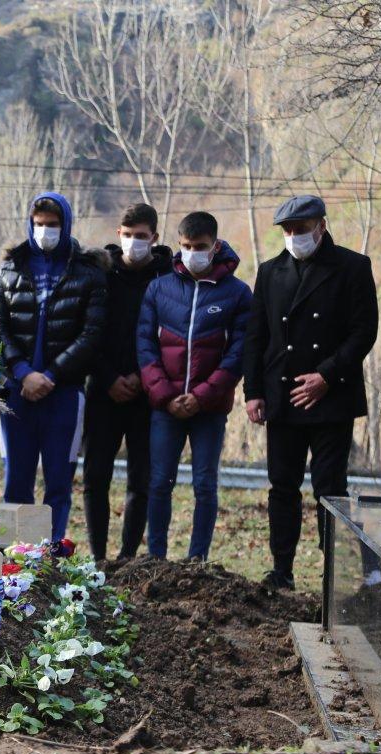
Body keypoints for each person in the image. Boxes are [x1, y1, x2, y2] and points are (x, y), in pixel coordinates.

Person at [243, 195, 378, 590]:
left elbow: (363, 331)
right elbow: (257, 336)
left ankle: (333, 573)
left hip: (330, 397)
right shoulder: (270, 272)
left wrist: (326, 375)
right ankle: (281, 569)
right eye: (287, 231)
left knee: (329, 490)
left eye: (300, 229)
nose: (292, 236)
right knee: (282, 486)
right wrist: (253, 390)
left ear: (320, 225)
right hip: (282, 395)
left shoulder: (353, 266)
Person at [0, 192, 107, 541]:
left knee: (58, 483)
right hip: (16, 392)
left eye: (52, 225)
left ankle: (49, 558)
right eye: (39, 224)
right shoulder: (10, 268)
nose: (45, 231)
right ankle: (14, 564)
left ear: (66, 225)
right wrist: (23, 372)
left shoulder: (88, 272)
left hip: (64, 394)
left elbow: (92, 334)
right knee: (16, 482)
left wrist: (51, 375)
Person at [136, 212, 251, 560]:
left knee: (204, 484)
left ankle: (196, 559)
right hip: (165, 407)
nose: (191, 253)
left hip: (209, 409)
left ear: (215, 246)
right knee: (159, 482)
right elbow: (145, 345)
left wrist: (201, 396)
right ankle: (156, 557)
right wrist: (166, 395)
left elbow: (237, 354)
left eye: (198, 247)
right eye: (185, 247)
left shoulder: (238, 293)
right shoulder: (159, 288)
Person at [85, 203, 172, 560]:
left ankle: (126, 556)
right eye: (127, 235)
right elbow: (87, 333)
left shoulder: (168, 278)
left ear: (154, 238)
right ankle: (98, 557)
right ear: (117, 234)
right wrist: (107, 378)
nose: (134, 242)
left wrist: (142, 376)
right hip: (103, 390)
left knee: (142, 480)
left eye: (141, 236)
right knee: (95, 479)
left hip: (147, 393)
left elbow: (173, 336)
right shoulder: (99, 275)